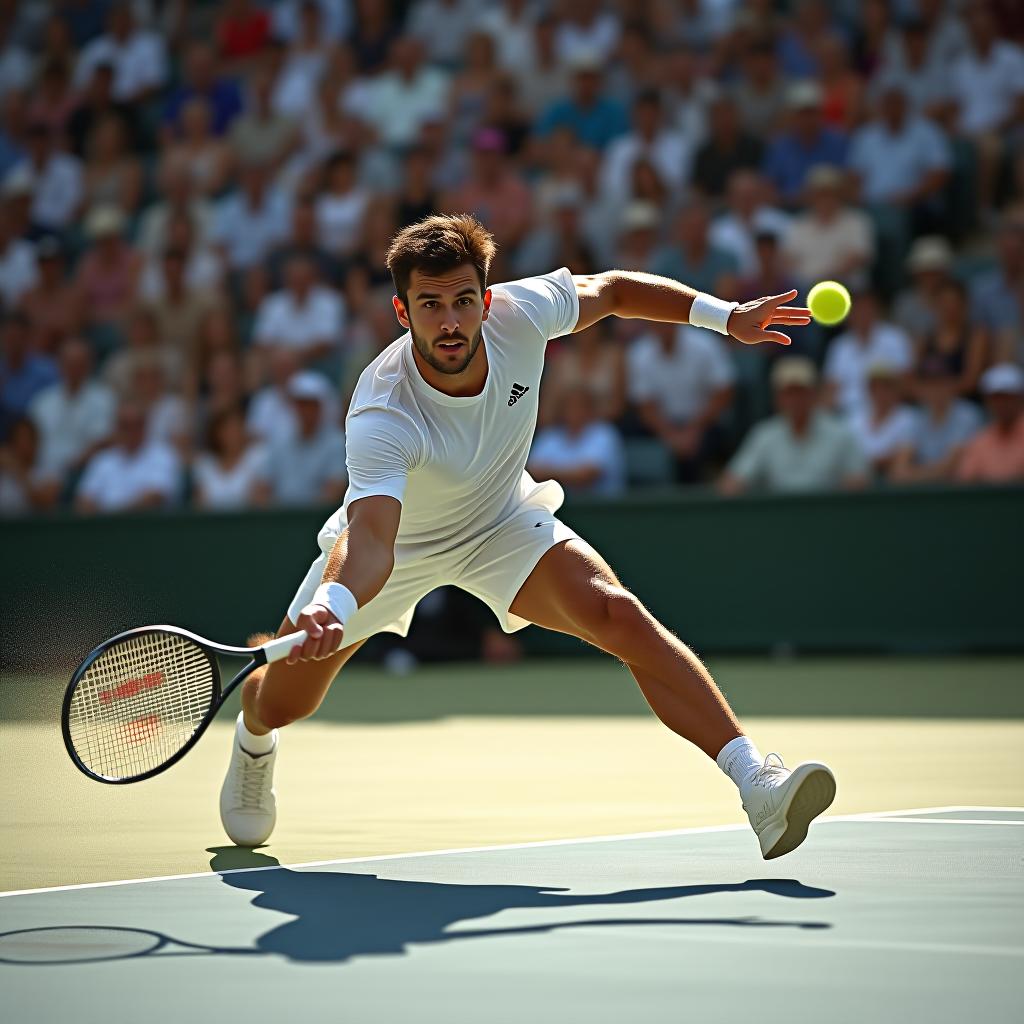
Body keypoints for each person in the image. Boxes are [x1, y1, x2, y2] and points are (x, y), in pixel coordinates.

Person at [219, 212, 836, 865]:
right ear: (403, 312)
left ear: (486, 300)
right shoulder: (381, 410)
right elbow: (371, 539)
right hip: (396, 549)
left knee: (616, 613)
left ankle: (757, 788)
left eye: (463, 301)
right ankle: (253, 738)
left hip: (499, 520)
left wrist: (727, 316)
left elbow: (618, 290)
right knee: (281, 701)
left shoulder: (523, 312)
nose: (450, 321)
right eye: (430, 305)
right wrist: (334, 606)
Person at [718, 357, 868, 495]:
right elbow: (733, 480)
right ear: (777, 398)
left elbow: (859, 479)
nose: (795, 400)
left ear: (813, 394)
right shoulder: (764, 435)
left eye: (801, 392)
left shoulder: (840, 433)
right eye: (788, 393)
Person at [889, 353, 983, 483]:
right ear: (921, 387)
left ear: (952, 382)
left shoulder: (968, 415)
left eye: (940, 381)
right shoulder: (916, 418)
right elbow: (898, 470)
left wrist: (913, 474)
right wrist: (925, 474)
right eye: (929, 382)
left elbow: (951, 468)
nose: (935, 388)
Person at [528, 385, 626, 497]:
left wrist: (548, 473)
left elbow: (586, 476)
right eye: (569, 406)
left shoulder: (604, 433)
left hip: (602, 509)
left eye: (580, 406)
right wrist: (571, 473)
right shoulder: (549, 435)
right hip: (553, 508)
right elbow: (532, 472)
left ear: (591, 409)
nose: (574, 411)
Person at [955, 363, 1024, 484]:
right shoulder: (980, 440)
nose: (1001, 404)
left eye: (1008, 397)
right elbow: (965, 481)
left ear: (1020, 398)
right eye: (996, 398)